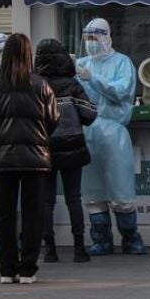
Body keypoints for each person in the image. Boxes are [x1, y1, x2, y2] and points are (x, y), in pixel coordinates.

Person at [0, 34, 59, 284]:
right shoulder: (41, 85)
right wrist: (40, 138)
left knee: (4, 215)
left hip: (3, 159)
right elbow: (53, 119)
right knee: (32, 214)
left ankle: (7, 269)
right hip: (36, 159)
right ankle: (28, 269)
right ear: (29, 55)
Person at [75, 18, 145, 255]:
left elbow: (122, 91)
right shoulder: (80, 64)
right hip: (87, 133)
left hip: (114, 132)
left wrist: (93, 79)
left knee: (121, 188)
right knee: (92, 190)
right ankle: (101, 239)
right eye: (87, 38)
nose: (91, 43)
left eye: (94, 37)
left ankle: (131, 237)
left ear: (106, 37)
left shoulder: (122, 63)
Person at [35, 39, 97, 263]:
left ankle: (49, 249)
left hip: (44, 147)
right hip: (72, 145)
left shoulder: (35, 85)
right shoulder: (72, 85)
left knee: (46, 201)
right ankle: (79, 249)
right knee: (73, 198)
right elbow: (89, 114)